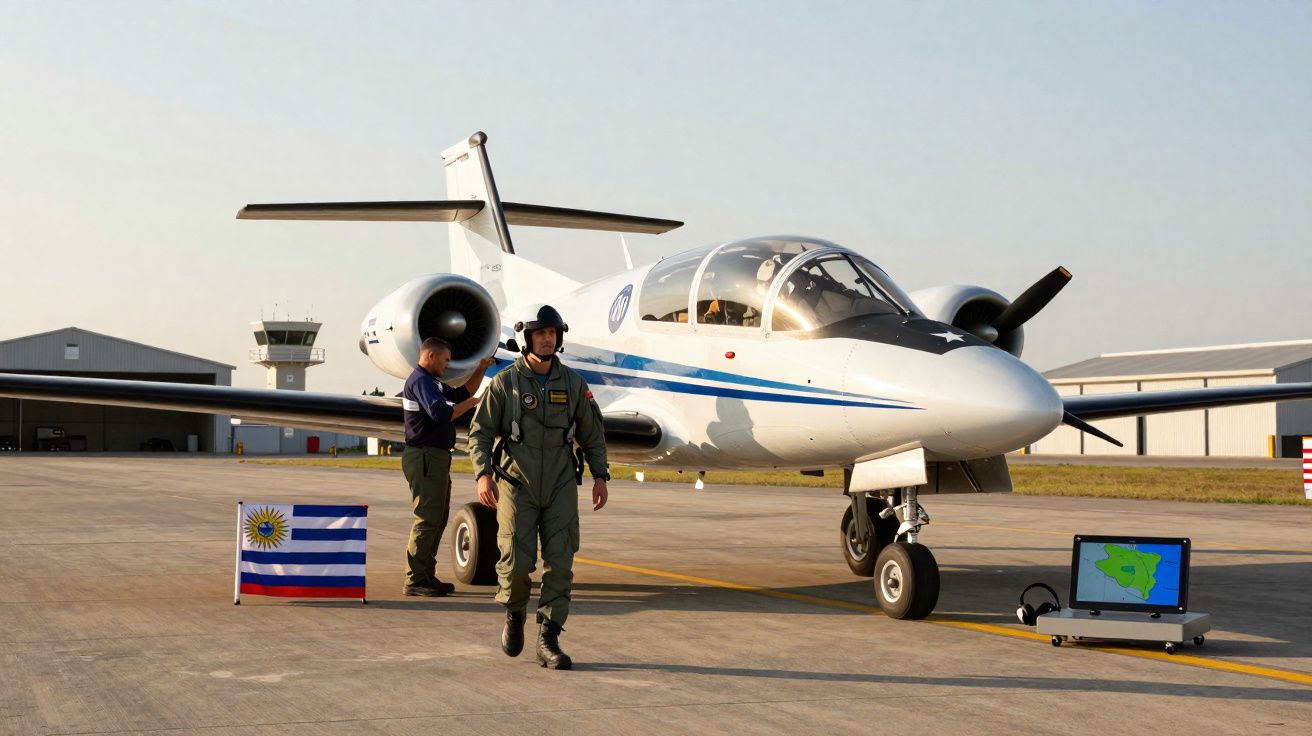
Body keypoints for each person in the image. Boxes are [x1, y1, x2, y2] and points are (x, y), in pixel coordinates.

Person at [468, 305, 609, 670]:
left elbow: (593, 434)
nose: (548, 339)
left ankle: (548, 638)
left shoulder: (574, 384)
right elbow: (480, 433)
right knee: (516, 562)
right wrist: (483, 473)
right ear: (525, 337)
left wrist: (601, 476)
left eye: (552, 333)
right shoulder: (505, 384)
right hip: (517, 483)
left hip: (561, 483)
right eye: (540, 333)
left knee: (561, 562)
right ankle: (514, 613)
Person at [401, 337, 495, 597]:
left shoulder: (432, 383)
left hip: (435, 458)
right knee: (428, 518)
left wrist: (481, 369)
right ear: (431, 356)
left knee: (438, 518)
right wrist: (477, 403)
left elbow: (460, 394)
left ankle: (425, 574)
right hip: (425, 457)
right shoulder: (420, 381)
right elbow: (442, 413)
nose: (447, 364)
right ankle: (416, 578)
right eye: (445, 359)